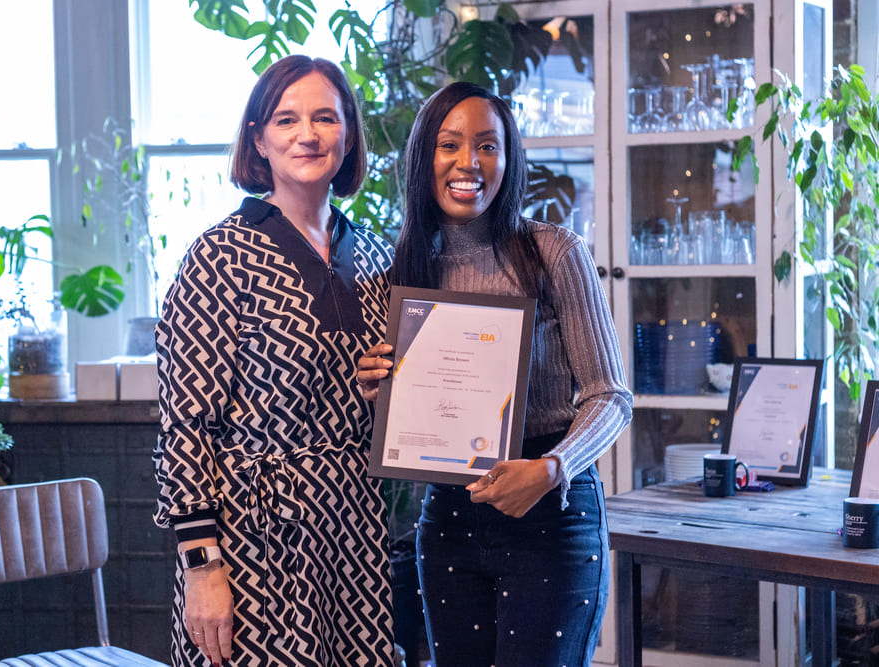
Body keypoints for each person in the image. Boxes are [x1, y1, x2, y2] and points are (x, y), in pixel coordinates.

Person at [357, 81, 633, 666]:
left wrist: (552, 468)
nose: (468, 163)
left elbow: (611, 398)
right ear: (423, 159)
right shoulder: (403, 264)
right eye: (449, 145)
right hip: (450, 522)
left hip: (552, 513)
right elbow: (411, 418)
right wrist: (379, 391)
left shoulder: (553, 251)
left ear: (509, 159)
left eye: (487, 145)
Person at [153, 54, 395, 667]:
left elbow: (391, 393)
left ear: (348, 135)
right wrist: (202, 569)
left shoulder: (371, 254)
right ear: (258, 139)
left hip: (353, 529)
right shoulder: (218, 257)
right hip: (251, 538)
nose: (307, 135)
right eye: (286, 120)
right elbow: (185, 426)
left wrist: (388, 390)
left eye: (325, 118)